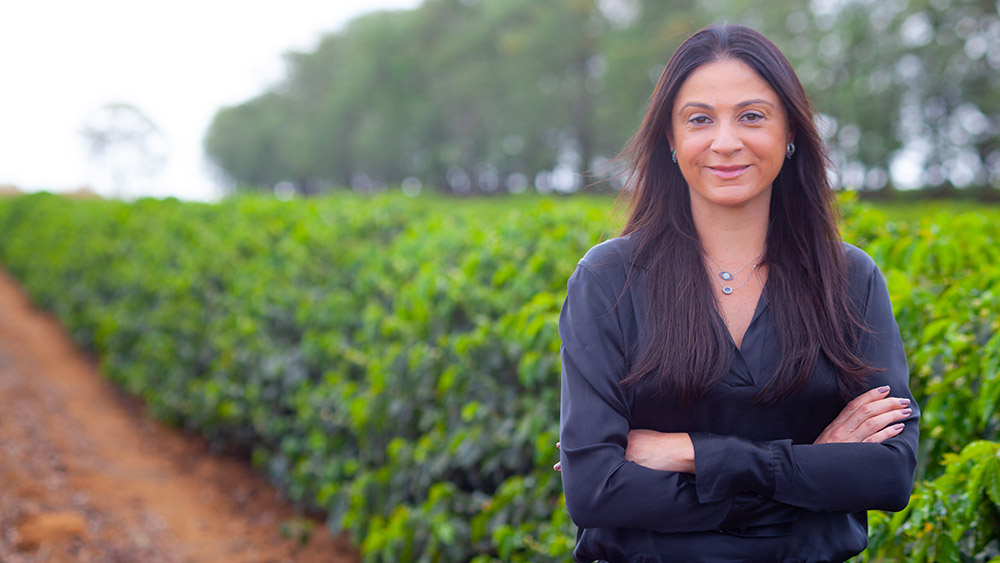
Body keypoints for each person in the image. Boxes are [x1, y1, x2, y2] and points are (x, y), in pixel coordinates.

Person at [555, 24, 918, 562]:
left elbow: (888, 476)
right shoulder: (608, 279)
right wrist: (808, 469)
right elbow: (595, 492)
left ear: (790, 132)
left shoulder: (851, 279)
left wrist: (687, 453)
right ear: (671, 142)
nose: (725, 141)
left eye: (752, 116)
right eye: (699, 119)